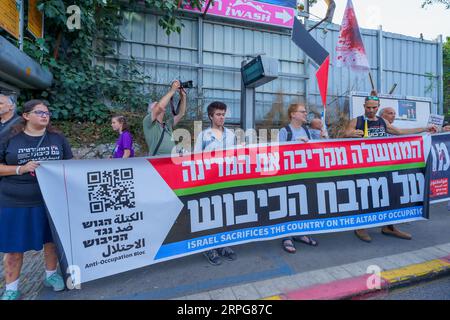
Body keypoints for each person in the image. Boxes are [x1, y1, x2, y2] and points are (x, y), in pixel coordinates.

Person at [0, 99, 73, 300]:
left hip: (51, 201)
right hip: (15, 201)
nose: (44, 116)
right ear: (26, 116)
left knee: (51, 242)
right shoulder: (9, 138)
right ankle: (11, 288)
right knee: (14, 247)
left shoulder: (57, 138)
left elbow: (70, 166)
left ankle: (51, 276)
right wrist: (20, 168)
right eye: (39, 112)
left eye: (47, 113)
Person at [344, 91, 436, 243]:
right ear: (364, 106)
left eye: (374, 107)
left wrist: (425, 129)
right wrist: (349, 134)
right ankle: (360, 227)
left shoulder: (382, 121)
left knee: (387, 195)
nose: (371, 110)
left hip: (382, 166)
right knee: (364, 195)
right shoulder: (356, 121)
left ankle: (389, 227)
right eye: (368, 107)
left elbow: (399, 132)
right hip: (363, 167)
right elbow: (343, 135)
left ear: (378, 106)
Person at [194, 101, 237, 265]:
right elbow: (196, 159)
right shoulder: (203, 136)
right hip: (209, 182)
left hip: (225, 181)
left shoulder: (231, 135)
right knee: (209, 214)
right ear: (211, 116)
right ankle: (208, 247)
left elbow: (234, 156)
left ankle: (222, 244)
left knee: (224, 213)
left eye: (223, 114)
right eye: (218, 114)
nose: (221, 117)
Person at [278, 103, 319, 254]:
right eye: (302, 111)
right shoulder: (285, 131)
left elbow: (316, 148)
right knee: (288, 204)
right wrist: (295, 144)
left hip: (303, 173)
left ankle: (299, 233)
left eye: (305, 111)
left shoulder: (307, 130)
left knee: (302, 204)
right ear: (293, 114)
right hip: (288, 175)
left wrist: (323, 139)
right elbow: (279, 151)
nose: (305, 113)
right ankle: (287, 237)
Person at [143, 80, 186, 156]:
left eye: (158, 103)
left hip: (170, 162)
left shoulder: (167, 124)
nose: (158, 104)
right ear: (151, 111)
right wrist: (172, 90)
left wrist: (183, 96)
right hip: (157, 163)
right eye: (155, 105)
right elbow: (160, 107)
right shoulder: (148, 122)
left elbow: (181, 114)